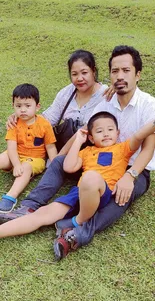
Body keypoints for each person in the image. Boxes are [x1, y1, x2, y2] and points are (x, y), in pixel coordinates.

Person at [52, 45, 155, 259]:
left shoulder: (149, 105)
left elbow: (148, 148)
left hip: (135, 167)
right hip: (103, 161)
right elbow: (86, 131)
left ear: (138, 75)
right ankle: (32, 208)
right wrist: (62, 153)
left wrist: (130, 175)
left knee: (121, 194)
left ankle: (78, 234)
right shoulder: (106, 100)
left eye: (126, 71)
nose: (120, 76)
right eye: (115, 71)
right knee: (61, 164)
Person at [0, 112, 154, 241]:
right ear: (91, 138)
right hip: (80, 192)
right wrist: (78, 141)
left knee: (91, 177)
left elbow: (141, 134)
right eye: (99, 131)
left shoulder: (123, 148)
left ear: (117, 133)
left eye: (110, 129)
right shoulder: (85, 152)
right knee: (43, 213)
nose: (106, 133)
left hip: (103, 193)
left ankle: (77, 221)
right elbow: (68, 166)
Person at [0, 49, 113, 221]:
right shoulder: (67, 93)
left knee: (59, 165)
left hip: (88, 155)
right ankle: (28, 206)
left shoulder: (106, 95)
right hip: (62, 150)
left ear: (94, 71)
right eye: (74, 74)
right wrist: (22, 117)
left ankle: (29, 204)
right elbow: (47, 119)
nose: (79, 78)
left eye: (84, 72)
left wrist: (57, 160)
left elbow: (88, 130)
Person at [0, 83, 57, 213]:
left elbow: (51, 147)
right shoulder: (14, 123)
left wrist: (55, 166)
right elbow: (11, 147)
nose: (23, 110)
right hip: (16, 155)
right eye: (18, 106)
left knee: (25, 168)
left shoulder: (44, 124)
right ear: (13, 106)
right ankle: (17, 168)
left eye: (27, 106)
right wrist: (16, 164)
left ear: (37, 107)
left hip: (35, 159)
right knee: (2, 158)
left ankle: (10, 197)